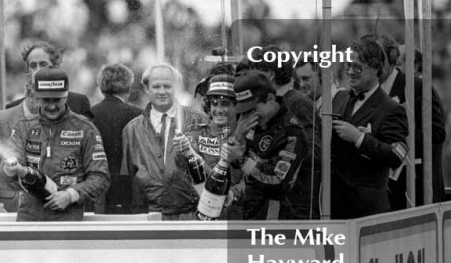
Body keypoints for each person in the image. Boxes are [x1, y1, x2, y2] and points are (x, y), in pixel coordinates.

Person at [3, 67, 109, 221]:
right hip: (29, 218)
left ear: (66, 97)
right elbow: (7, 176)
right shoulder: (23, 127)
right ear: (36, 97)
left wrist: (70, 195)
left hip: (67, 219)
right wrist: (9, 169)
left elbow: (101, 177)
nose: (52, 106)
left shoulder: (85, 128)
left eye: (57, 100)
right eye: (46, 100)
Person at [330, 37, 409, 219]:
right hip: (333, 207)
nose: (350, 71)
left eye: (357, 67)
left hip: (367, 210)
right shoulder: (339, 99)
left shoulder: (391, 108)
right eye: (347, 65)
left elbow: (397, 155)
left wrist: (359, 138)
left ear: (375, 68)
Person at [121, 63, 206, 219]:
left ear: (177, 87)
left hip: (189, 214)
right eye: (156, 86)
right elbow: (127, 178)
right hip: (148, 216)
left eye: (167, 86)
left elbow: (209, 169)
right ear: (146, 88)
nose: (162, 92)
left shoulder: (198, 120)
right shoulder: (132, 129)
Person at [223, 72, 310, 220]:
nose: (248, 116)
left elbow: (277, 181)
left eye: (253, 110)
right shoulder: (252, 123)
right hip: (247, 209)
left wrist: (241, 159)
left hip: (275, 215)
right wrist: (238, 136)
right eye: (244, 111)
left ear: (270, 99)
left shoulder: (291, 132)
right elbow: (235, 169)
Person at [374, 35, 446, 207]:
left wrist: (399, 134)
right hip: (387, 188)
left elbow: (437, 134)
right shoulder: (374, 90)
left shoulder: (419, 89)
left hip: (418, 186)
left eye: (398, 63)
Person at [178, 74, 243, 219]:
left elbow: (251, 180)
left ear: (236, 105)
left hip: (238, 215)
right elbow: (190, 178)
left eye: (225, 104)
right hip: (202, 215)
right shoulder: (195, 134)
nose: (219, 110)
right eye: (214, 103)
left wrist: (234, 192)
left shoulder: (246, 136)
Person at [0, 74, 39, 213]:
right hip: (9, 206)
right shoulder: (2, 119)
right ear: (30, 94)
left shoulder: (54, 118)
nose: (51, 104)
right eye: (44, 99)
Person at [90, 63, 143, 214]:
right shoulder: (138, 114)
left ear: (101, 86)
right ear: (128, 87)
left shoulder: (87, 115)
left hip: (96, 190)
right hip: (130, 191)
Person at [5, 41, 93, 119]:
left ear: (56, 66)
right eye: (33, 65)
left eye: (43, 64)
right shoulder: (13, 108)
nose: (38, 70)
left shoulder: (78, 103)